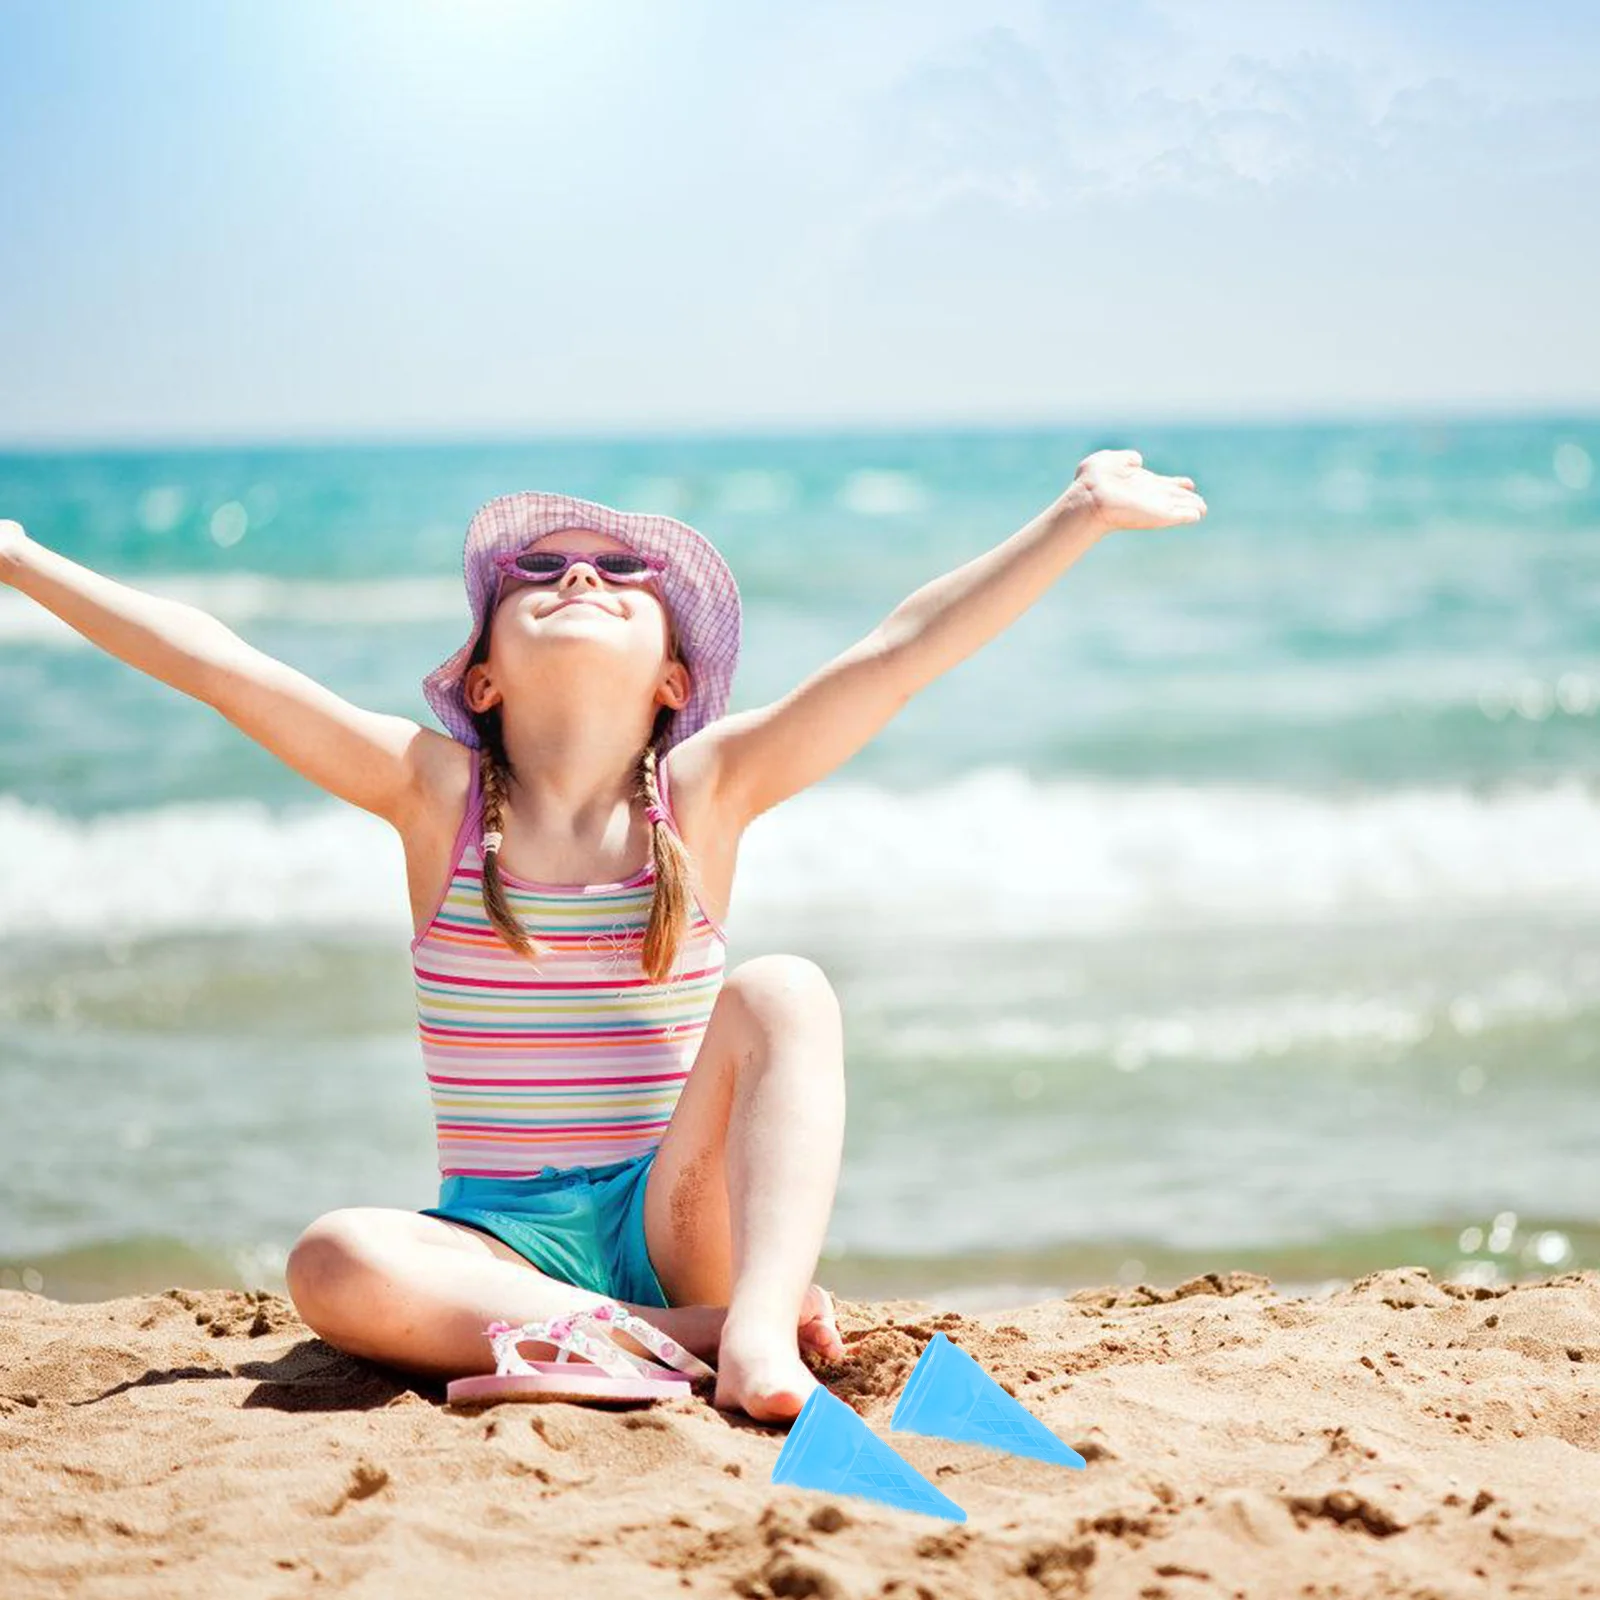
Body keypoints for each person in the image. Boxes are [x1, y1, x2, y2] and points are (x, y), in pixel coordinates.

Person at [0, 450, 1205, 1424]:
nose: (582, 576)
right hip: (493, 1244)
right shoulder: (435, 798)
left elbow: (895, 657)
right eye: (542, 570)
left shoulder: (706, 791)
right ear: (480, 679)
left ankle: (749, 1317)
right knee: (331, 1260)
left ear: (675, 677)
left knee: (786, 989)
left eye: (622, 571)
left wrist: (1073, 516)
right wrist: (18, 556)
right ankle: (706, 1343)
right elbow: (225, 669)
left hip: (678, 1221)